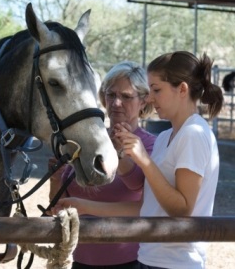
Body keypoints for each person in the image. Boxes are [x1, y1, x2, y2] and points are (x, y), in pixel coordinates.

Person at [51, 51, 224, 269]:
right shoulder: (165, 137)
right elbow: (146, 207)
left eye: (156, 90)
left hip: (177, 263)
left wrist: (144, 160)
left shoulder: (194, 134)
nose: (150, 98)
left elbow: (182, 210)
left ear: (182, 89)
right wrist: (82, 206)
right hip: (151, 258)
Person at [48, 61, 156, 269]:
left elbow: (142, 196)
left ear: (143, 101)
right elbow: (59, 207)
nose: (116, 103)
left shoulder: (152, 145)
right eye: (111, 94)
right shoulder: (85, 144)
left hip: (132, 262)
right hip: (80, 261)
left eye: (126, 96)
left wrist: (119, 153)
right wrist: (54, 178)